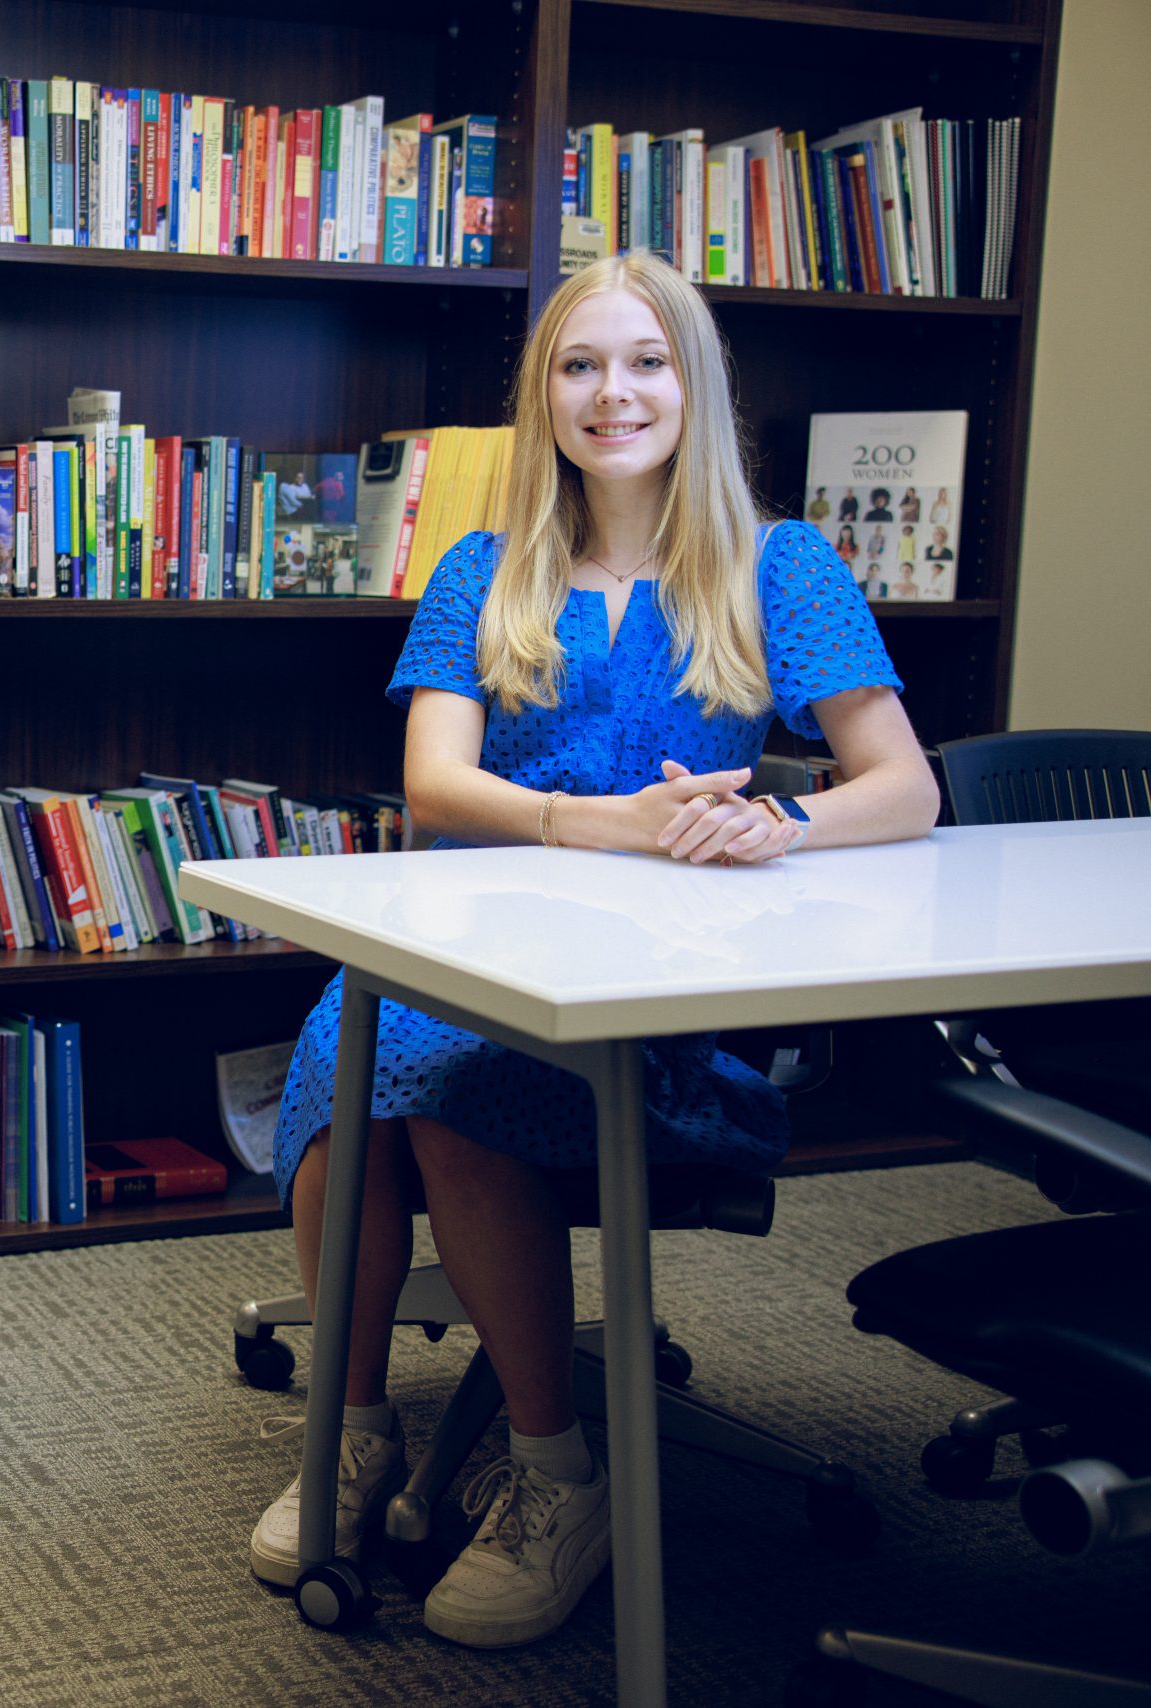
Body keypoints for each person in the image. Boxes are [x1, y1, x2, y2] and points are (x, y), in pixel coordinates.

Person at [248, 253, 938, 1651]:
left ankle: (560, 1476)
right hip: (469, 937)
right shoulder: (484, 570)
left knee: (446, 1099)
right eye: (579, 366)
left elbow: (906, 787)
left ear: (695, 383)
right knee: (351, 1073)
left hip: (665, 979)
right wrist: (593, 822)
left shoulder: (777, 563)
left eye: (645, 362)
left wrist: (780, 824)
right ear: (543, 395)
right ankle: (355, 1431)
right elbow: (435, 785)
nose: (612, 393)